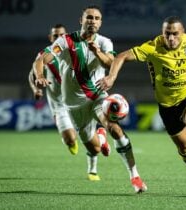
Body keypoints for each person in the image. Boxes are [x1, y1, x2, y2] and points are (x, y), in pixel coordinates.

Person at [98, 16, 186, 192]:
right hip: (167, 105)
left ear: (182, 33)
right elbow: (122, 56)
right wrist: (112, 76)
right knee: (184, 148)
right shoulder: (153, 47)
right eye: (167, 34)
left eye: (175, 34)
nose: (170, 38)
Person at [33, 5, 147, 193]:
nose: (92, 21)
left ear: (100, 23)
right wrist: (39, 75)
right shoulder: (65, 41)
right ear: (81, 20)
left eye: (96, 18)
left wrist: (97, 52)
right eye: (89, 18)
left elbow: (111, 63)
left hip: (97, 96)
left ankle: (134, 176)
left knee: (115, 129)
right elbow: (41, 59)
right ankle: (100, 137)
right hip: (74, 105)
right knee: (94, 149)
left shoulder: (104, 42)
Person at [29, 23, 109, 181]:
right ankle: (94, 139)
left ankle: (93, 167)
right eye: (55, 36)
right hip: (59, 106)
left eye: (61, 35)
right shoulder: (47, 54)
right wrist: (36, 87)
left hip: (77, 100)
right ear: (50, 38)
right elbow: (33, 71)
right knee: (70, 139)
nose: (58, 38)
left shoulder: (73, 50)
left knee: (93, 145)